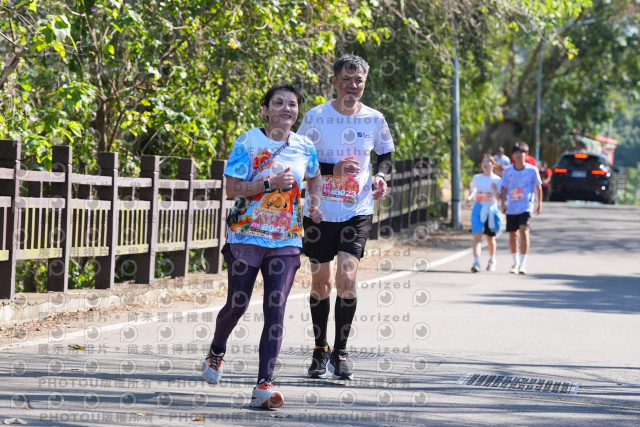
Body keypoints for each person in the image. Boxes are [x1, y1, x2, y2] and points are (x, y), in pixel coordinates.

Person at [201, 84, 323, 409]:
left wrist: (315, 203)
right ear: (266, 109)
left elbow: (314, 177)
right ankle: (217, 350)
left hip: (286, 239)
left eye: (292, 104)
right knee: (237, 304)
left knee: (276, 307)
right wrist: (269, 184)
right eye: (278, 103)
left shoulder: (305, 147)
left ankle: (264, 386)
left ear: (298, 111)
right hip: (246, 236)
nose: (286, 108)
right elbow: (231, 188)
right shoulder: (248, 141)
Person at [297, 54, 395, 380]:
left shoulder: (374, 119)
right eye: (347, 79)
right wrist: (332, 169)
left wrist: (380, 177)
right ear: (335, 81)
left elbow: (386, 154)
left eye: (359, 81)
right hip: (319, 210)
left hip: (357, 210)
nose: (353, 85)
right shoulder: (315, 117)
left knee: (347, 278)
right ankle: (319, 349)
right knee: (321, 283)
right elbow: (300, 159)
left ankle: (340, 352)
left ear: (365, 83)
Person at [500, 144, 542, 275]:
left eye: (522, 152)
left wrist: (539, 203)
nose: (519, 155)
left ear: (526, 154)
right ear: (513, 155)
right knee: (513, 235)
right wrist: (503, 203)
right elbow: (504, 187)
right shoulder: (508, 171)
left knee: (524, 231)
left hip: (526, 206)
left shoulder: (532, 170)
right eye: (516, 152)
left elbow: (538, 186)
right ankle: (516, 262)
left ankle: (523, 263)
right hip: (512, 207)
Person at [466, 154, 502, 272]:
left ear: (493, 165)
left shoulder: (497, 180)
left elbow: (499, 197)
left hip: (491, 209)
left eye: (488, 162)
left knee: (490, 238)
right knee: (477, 236)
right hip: (478, 208)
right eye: (483, 162)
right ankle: (476, 262)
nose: (485, 164)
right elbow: (473, 190)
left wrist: (495, 189)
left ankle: (492, 260)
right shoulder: (477, 177)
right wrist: (469, 198)